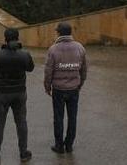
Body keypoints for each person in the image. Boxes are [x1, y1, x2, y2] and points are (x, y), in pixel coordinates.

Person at [0, 28, 34, 163]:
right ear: (17, 38)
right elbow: (30, 68)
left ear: (5, 39)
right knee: (21, 122)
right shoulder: (25, 55)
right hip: (19, 93)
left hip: (1, 94)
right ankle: (23, 153)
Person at [44, 23, 88, 155]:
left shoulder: (53, 49)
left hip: (58, 89)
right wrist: (80, 84)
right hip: (74, 89)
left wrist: (47, 86)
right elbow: (84, 69)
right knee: (72, 117)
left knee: (58, 117)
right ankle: (69, 145)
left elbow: (48, 71)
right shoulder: (80, 48)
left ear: (59, 33)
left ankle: (59, 146)